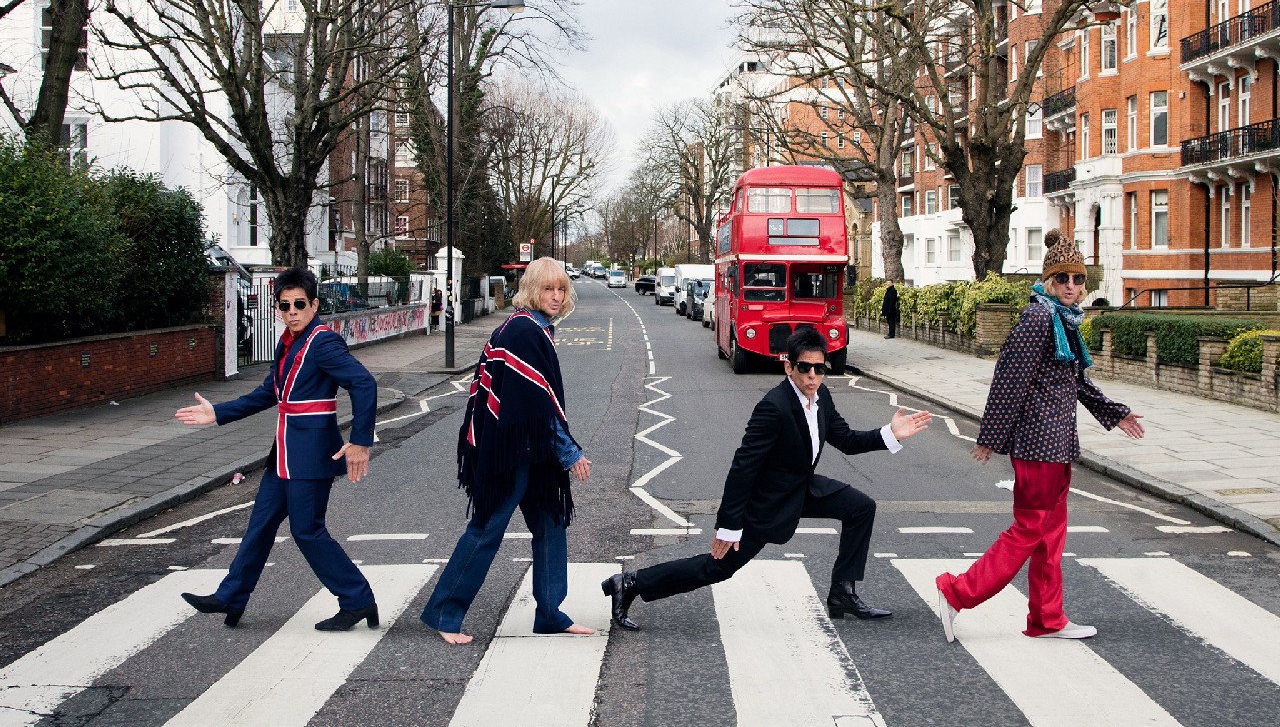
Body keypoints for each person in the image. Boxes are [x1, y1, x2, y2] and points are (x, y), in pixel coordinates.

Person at [603, 325, 932, 630]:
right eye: (805, 367)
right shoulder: (773, 407)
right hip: (766, 502)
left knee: (861, 507)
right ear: (789, 367)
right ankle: (631, 583)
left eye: (820, 368)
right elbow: (743, 466)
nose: (813, 375)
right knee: (717, 568)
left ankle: (842, 592)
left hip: (801, 487)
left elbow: (846, 440)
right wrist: (729, 525)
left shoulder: (822, 399)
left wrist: (891, 433)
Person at [935, 229, 1144, 643]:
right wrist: (990, 436)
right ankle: (957, 591)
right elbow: (1009, 380)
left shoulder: (1060, 320)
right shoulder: (1037, 318)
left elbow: (1075, 383)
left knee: (1050, 535)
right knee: (1030, 529)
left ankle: (1046, 618)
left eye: (1078, 279)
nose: (1070, 286)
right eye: (1062, 278)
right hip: (1038, 447)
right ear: (1049, 281)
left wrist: (1116, 413)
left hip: (1057, 446)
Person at [174, 267, 379, 631]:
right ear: (278, 309)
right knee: (260, 524)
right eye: (285, 306)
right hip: (284, 454)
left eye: (300, 304)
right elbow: (267, 393)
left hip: (312, 455)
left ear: (314, 305)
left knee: (307, 530)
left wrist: (360, 441)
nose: (292, 312)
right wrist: (217, 413)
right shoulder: (289, 343)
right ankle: (231, 596)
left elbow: (364, 383)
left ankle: (357, 599)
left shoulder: (322, 343)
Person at [421, 256, 594, 644]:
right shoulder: (523, 331)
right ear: (532, 290)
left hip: (529, 449)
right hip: (511, 450)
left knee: (550, 525)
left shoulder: (535, 328)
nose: (556, 295)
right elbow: (538, 407)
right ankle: (445, 613)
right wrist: (570, 452)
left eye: (561, 288)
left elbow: (535, 402)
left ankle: (550, 612)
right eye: (548, 288)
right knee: (486, 527)